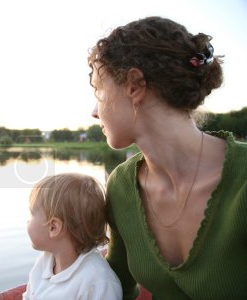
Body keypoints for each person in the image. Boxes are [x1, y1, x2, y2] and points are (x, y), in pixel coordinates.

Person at [88, 16, 247, 299]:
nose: (94, 111)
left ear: (134, 85)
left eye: (98, 90)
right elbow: (116, 287)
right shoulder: (122, 186)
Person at [22, 173, 122, 300]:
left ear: (53, 227)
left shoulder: (98, 281)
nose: (27, 221)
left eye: (31, 214)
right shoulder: (44, 261)